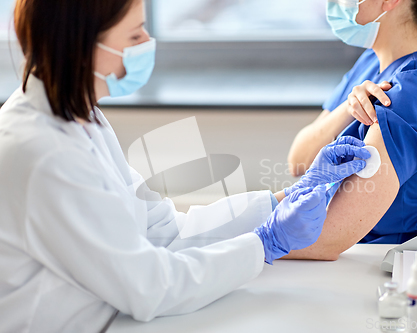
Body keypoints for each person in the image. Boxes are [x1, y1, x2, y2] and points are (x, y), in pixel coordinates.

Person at [0, 0, 370, 331]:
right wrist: (266, 243)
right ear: (82, 48)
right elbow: (149, 287)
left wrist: (283, 199)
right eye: (134, 35)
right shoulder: (40, 153)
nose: (147, 42)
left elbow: (162, 229)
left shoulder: (83, 115)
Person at [286, 0, 417, 258]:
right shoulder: (374, 62)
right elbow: (298, 162)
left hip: (367, 262)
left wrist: (248, 237)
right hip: (342, 252)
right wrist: (347, 108)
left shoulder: (411, 93)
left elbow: (328, 238)